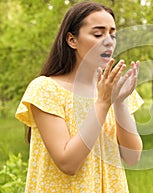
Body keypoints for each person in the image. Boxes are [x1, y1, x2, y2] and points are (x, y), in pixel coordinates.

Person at [15, 1, 143, 192]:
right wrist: (103, 102)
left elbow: (133, 157)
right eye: (98, 34)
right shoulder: (46, 89)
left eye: (113, 34)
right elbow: (68, 164)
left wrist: (120, 102)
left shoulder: (113, 87)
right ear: (72, 40)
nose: (109, 40)